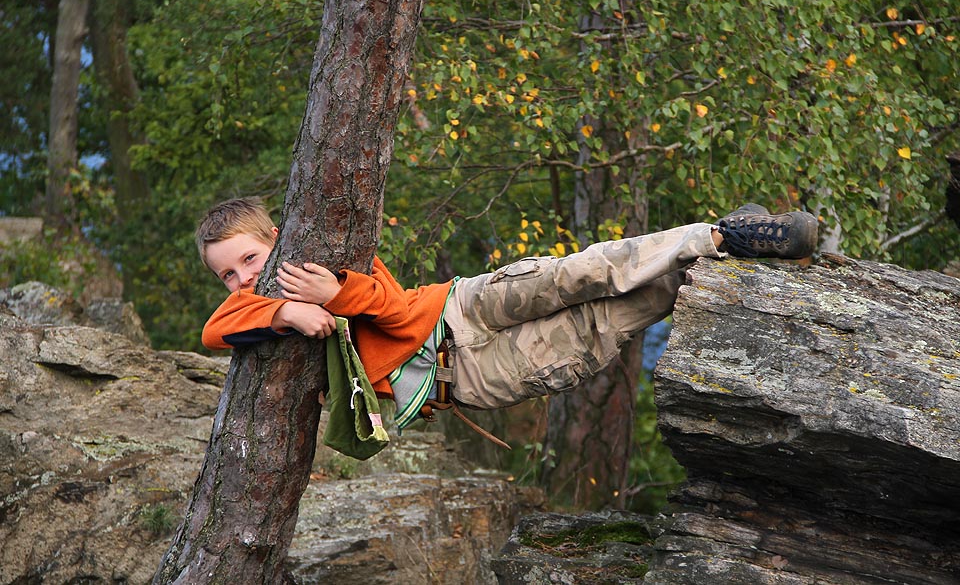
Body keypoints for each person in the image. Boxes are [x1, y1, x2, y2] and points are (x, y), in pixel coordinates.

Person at [196, 197, 818, 438]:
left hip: (457, 305)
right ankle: (699, 272)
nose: (243, 276)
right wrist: (286, 313)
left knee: (581, 271)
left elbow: (393, 313)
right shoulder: (250, 309)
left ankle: (724, 236)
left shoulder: (322, 259)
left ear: (276, 237)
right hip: (464, 375)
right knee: (600, 325)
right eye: (228, 273)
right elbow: (213, 331)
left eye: (249, 258)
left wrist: (336, 296)